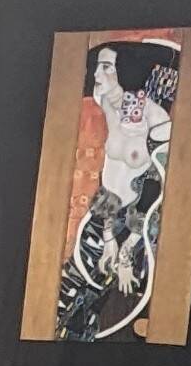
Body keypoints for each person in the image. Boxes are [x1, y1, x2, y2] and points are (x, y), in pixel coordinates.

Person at [56, 38, 177, 341]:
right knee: (68, 289)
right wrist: (108, 237)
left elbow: (156, 183)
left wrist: (126, 248)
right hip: (103, 215)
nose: (98, 75)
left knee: (117, 304)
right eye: (98, 67)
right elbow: (110, 182)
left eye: (107, 67)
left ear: (126, 70)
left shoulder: (157, 119)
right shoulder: (110, 104)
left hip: (138, 223)